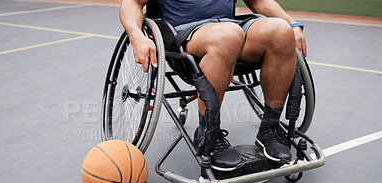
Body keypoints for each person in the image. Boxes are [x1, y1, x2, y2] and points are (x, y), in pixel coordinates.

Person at [119, 0, 307, 170]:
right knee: (228, 35)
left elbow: (258, 1)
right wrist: (137, 36)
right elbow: (132, 3)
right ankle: (208, 134)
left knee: (282, 31)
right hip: (186, 34)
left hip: (234, 28)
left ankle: (270, 128)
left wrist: (292, 22)